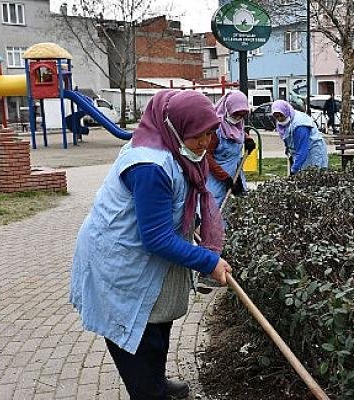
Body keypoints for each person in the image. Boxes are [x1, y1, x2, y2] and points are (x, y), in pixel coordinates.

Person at [70, 90, 233, 400]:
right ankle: (149, 390)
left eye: (210, 133)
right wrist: (209, 262)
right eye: (198, 135)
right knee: (137, 336)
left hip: (142, 257)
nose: (205, 143)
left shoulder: (178, 151)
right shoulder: (150, 165)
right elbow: (156, 237)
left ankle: (155, 381)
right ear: (174, 127)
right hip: (119, 263)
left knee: (157, 326)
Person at [206, 91, 257, 208]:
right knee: (217, 216)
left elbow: (236, 133)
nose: (238, 118)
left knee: (239, 212)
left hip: (235, 174)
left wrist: (247, 139)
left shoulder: (237, 124)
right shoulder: (215, 128)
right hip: (216, 180)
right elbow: (206, 156)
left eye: (242, 115)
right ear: (227, 109)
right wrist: (224, 177)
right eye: (236, 114)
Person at [271, 100, 328, 174]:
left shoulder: (300, 125)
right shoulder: (285, 122)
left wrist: (294, 169)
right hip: (300, 153)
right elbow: (288, 138)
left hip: (312, 152)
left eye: (281, 115)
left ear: (285, 112)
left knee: (312, 176)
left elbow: (302, 149)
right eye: (276, 116)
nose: (279, 119)